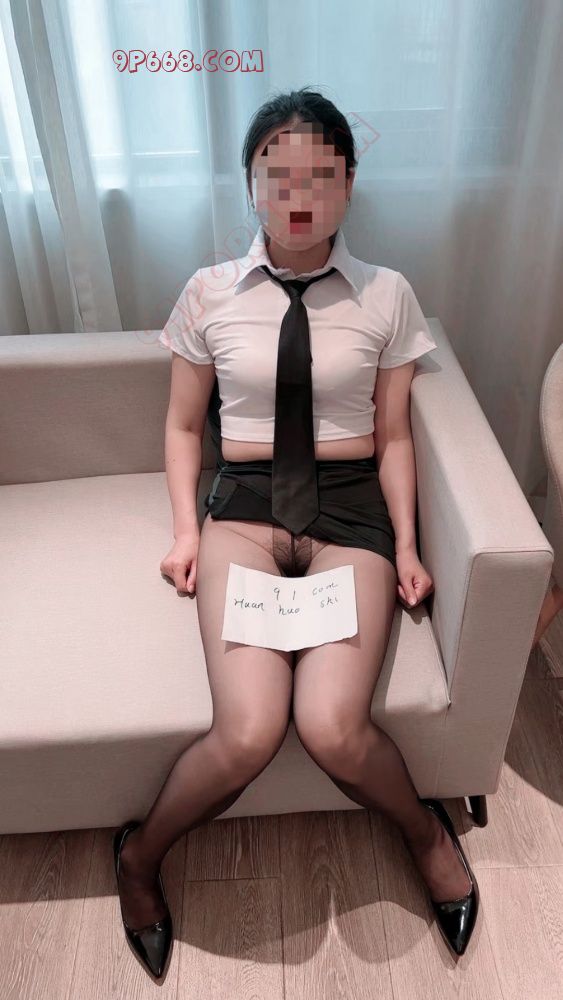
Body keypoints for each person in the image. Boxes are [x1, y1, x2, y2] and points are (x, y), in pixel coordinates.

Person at [114, 87, 479, 979]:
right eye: (277, 174)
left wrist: (408, 545)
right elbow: (183, 428)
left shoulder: (387, 293)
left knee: (331, 725)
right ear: (250, 185)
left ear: (349, 183)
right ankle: (138, 856)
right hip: (243, 507)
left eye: (320, 174)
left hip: (349, 511)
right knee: (246, 732)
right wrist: (185, 533)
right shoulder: (208, 292)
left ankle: (423, 833)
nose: (298, 194)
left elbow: (395, 436)